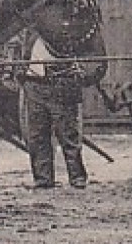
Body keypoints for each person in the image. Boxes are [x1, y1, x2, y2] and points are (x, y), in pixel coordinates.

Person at [18, 36, 90, 189]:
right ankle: (43, 179)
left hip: (61, 83)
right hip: (35, 84)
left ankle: (77, 177)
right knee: (37, 135)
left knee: (68, 134)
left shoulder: (64, 29)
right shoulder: (30, 32)